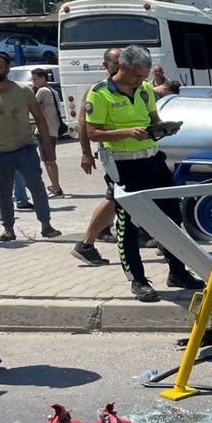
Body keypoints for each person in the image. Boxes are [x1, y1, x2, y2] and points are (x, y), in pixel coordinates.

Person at [84, 45, 205, 302]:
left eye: (144, 76)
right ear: (123, 68)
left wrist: (164, 128)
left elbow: (153, 119)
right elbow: (92, 132)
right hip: (124, 166)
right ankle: (137, 280)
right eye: (137, 76)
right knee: (128, 226)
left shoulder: (145, 90)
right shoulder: (99, 93)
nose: (141, 81)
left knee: (172, 218)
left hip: (152, 161)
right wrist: (126, 133)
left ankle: (177, 272)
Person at [0, 52, 59, 242]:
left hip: (25, 148)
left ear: (7, 69)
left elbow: (40, 119)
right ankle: (8, 229)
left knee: (37, 188)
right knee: (4, 193)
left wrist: (47, 147)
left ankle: (46, 225)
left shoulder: (24, 91)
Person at [72, 47, 121, 267]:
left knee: (119, 198)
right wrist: (85, 152)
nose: (120, 67)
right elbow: (84, 124)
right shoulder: (97, 90)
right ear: (105, 65)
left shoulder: (132, 87)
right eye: (115, 63)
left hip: (134, 154)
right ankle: (86, 243)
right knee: (115, 197)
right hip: (114, 154)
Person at [30, 68, 64, 197]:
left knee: (48, 160)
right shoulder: (52, 90)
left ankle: (56, 188)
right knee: (50, 159)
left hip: (46, 130)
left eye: (35, 79)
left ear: (43, 78)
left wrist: (31, 91)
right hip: (53, 128)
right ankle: (55, 186)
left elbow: (32, 106)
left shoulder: (43, 91)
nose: (33, 82)